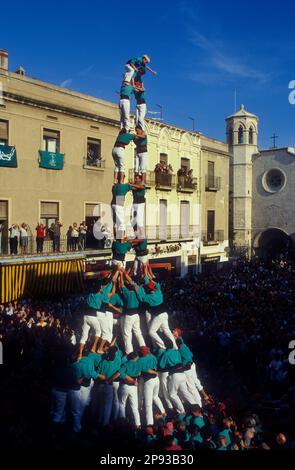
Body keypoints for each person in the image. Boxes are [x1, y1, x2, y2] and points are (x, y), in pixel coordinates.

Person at [136, 272, 177, 350]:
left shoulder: (149, 297)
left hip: (159, 316)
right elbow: (156, 285)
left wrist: (140, 287)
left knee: (151, 332)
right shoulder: (158, 292)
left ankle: (163, 346)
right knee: (167, 331)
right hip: (165, 314)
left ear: (148, 289)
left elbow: (141, 297)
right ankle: (175, 347)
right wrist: (147, 277)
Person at [119, 270, 146, 355]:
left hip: (129, 316)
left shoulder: (127, 293)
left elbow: (121, 285)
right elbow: (128, 283)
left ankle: (129, 353)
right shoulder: (138, 292)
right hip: (136, 315)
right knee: (138, 332)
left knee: (127, 335)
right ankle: (144, 347)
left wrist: (121, 276)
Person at [138, 346, 166, 426]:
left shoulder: (140, 360)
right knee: (155, 397)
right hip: (156, 380)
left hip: (149, 381)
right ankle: (163, 412)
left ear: (142, 352)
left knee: (148, 403)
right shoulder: (153, 356)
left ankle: (149, 423)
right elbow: (155, 367)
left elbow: (145, 370)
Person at [131, 175, 146, 239]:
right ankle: (136, 234)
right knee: (132, 220)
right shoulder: (134, 186)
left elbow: (140, 187)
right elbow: (133, 188)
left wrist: (130, 184)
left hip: (140, 203)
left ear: (140, 180)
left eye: (137, 179)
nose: (136, 180)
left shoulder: (142, 185)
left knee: (139, 220)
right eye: (135, 179)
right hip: (134, 203)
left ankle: (142, 236)